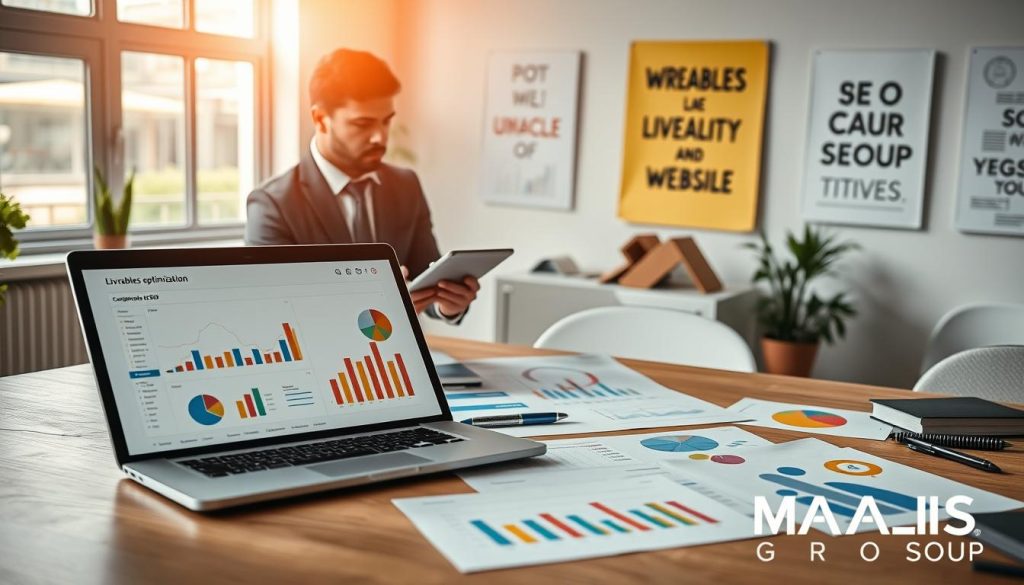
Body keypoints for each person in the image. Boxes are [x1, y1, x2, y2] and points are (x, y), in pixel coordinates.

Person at [245, 48, 477, 321]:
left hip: (392, 354)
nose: (380, 137)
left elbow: (424, 276)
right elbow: (274, 309)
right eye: (362, 124)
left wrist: (447, 305)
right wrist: (376, 306)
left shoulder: (406, 185)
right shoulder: (273, 204)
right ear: (320, 119)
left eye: (386, 122)